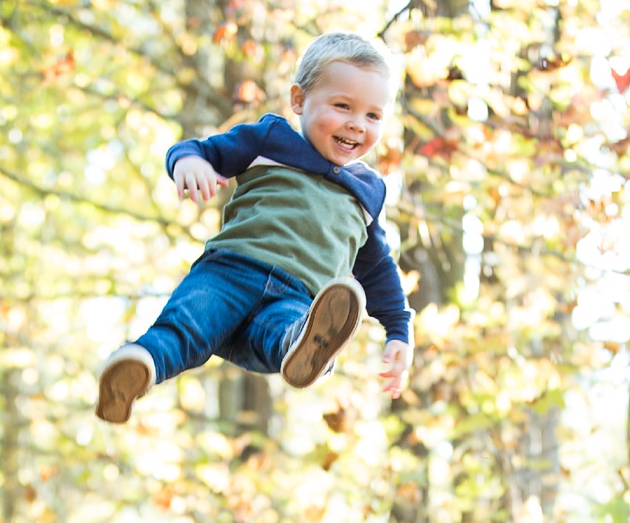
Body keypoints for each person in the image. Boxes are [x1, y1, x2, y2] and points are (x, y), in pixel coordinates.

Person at [94, 31, 412, 424]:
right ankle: (136, 367)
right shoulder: (269, 140)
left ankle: (305, 348)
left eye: (372, 115)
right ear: (299, 100)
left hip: (298, 299)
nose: (357, 124)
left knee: (284, 333)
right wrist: (188, 163)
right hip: (229, 272)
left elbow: (378, 268)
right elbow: (197, 149)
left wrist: (398, 328)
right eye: (343, 106)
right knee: (188, 327)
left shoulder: (369, 191)